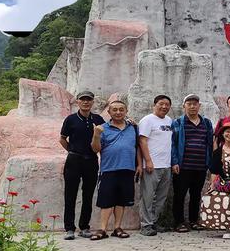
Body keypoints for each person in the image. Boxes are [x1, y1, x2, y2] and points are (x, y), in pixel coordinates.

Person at [89, 101, 143, 240]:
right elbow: (96, 149)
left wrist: (139, 164)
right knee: (106, 200)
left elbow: (137, 147)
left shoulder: (133, 128)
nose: (118, 112)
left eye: (121, 109)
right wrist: (96, 134)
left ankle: (117, 228)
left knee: (121, 200)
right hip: (109, 169)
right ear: (109, 112)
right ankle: (102, 229)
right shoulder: (102, 128)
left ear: (126, 111)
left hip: (127, 168)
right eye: (115, 110)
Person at [59, 91, 105, 240]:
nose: (86, 102)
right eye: (83, 100)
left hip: (91, 160)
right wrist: (72, 151)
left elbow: (104, 137)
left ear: (92, 102)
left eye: (89, 100)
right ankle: (69, 228)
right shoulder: (71, 119)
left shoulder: (98, 119)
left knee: (88, 194)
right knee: (70, 194)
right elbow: (62, 139)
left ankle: (84, 227)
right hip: (74, 160)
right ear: (77, 102)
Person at [171, 94, 214, 232]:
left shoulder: (206, 123)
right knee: (180, 195)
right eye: (189, 104)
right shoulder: (178, 123)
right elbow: (172, 144)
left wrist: (210, 163)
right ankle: (179, 222)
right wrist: (175, 162)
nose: (192, 106)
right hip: (183, 166)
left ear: (199, 106)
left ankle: (194, 220)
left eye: (195, 104)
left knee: (196, 195)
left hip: (201, 166)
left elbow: (210, 144)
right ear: (184, 106)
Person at [138, 94, 173, 236]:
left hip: (167, 165)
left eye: (167, 104)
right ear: (154, 105)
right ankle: (145, 225)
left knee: (161, 196)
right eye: (161, 104)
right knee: (147, 196)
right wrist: (148, 161)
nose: (164, 107)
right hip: (151, 165)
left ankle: (154, 221)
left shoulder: (169, 120)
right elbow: (142, 141)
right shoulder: (147, 120)